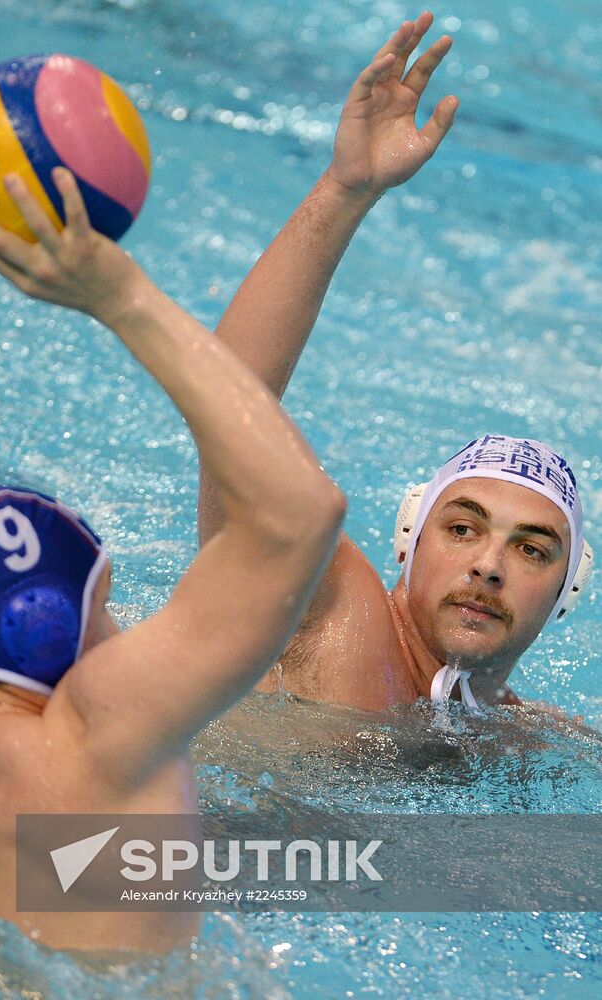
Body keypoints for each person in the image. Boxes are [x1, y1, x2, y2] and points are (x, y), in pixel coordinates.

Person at [0, 168, 346, 951]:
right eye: (106, 606)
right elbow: (299, 513)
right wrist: (123, 298)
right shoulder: (102, 739)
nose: (124, 627)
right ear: (48, 630)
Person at [198, 12, 593, 712]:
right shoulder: (328, 619)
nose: (487, 566)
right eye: (462, 527)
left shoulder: (528, 743)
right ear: (409, 538)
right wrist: (345, 191)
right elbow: (230, 406)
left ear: (568, 593)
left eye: (532, 550)